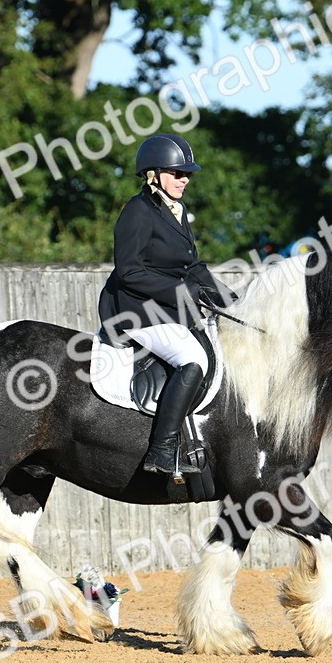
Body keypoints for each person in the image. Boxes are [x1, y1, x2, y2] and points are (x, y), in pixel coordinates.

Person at [98, 133, 237, 475]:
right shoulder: (137, 211)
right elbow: (129, 271)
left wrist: (231, 300)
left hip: (168, 309)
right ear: (153, 174)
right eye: (178, 173)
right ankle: (161, 451)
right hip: (135, 310)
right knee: (193, 360)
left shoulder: (177, 210)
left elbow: (192, 266)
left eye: (187, 174)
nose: (185, 179)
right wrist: (179, 291)